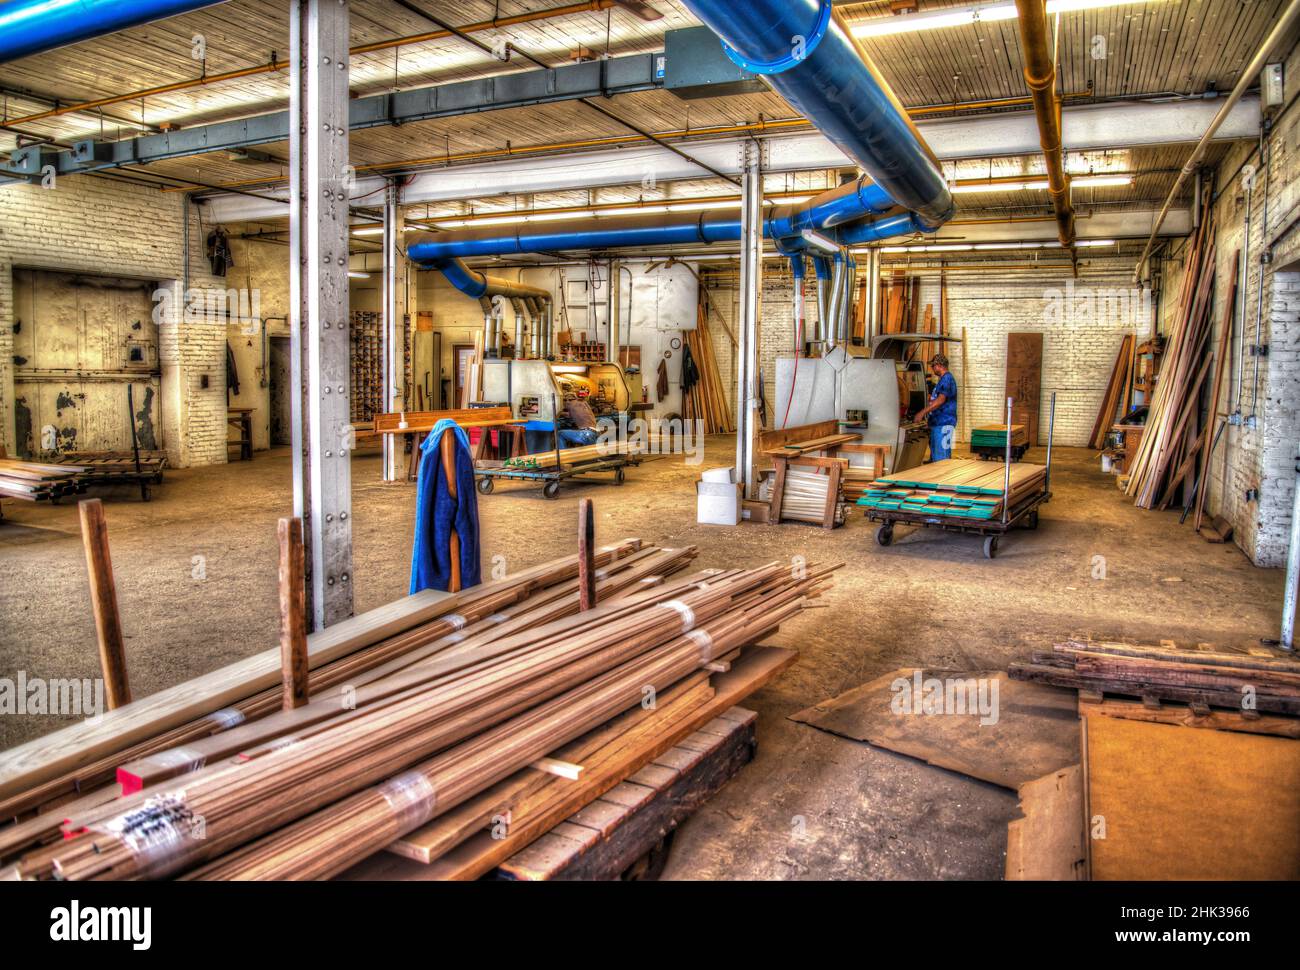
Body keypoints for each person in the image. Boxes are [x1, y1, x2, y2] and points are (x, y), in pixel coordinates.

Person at [915, 353, 957, 462]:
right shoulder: (942, 380)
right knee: (936, 458)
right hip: (938, 423)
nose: (932, 368)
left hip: (943, 423)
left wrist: (922, 413)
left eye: (933, 366)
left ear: (939, 365)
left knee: (941, 460)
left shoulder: (947, 379)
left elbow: (941, 400)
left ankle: (942, 479)